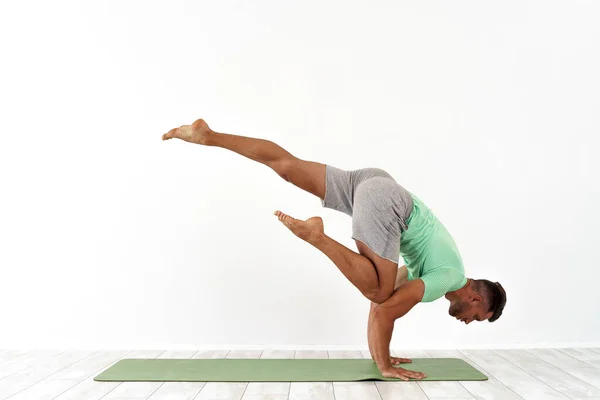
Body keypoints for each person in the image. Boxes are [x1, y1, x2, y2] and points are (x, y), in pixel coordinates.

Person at [162, 118, 507, 381]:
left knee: (286, 165)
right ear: (476, 299)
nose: (468, 322)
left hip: (375, 182)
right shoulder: (447, 278)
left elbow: (378, 307)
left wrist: (379, 358)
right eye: (476, 317)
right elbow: (384, 307)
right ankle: (317, 236)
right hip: (388, 201)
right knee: (380, 286)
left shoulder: (438, 267)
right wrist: (385, 365)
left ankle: (208, 135)